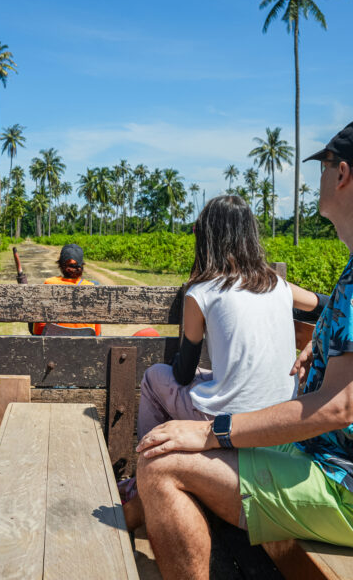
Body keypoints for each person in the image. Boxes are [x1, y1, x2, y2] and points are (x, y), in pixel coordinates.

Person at [136, 122, 353, 580]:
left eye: (324, 167)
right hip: (309, 442)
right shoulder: (283, 282)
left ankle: (140, 496)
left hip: (339, 476)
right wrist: (324, 335)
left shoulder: (202, 288)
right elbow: (332, 308)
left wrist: (212, 434)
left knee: (158, 462)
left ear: (343, 174)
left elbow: (339, 406)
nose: (317, 179)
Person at [121, 195, 324, 526]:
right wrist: (318, 338)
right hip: (281, 414)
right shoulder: (279, 284)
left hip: (228, 418)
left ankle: (142, 479)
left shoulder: (201, 290)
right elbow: (325, 303)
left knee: (155, 377)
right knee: (209, 378)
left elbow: (184, 373)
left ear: (206, 239)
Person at [30, 243, 102, 336]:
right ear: (81, 267)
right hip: (84, 344)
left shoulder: (49, 283)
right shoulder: (91, 287)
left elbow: (38, 331)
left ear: (60, 265)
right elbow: (97, 333)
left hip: (53, 344)